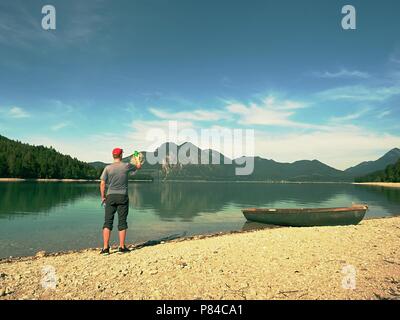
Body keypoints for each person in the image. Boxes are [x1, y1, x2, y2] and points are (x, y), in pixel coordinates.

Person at [99, 148, 142, 255]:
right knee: (122, 222)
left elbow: (102, 183)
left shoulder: (107, 168)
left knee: (107, 222)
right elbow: (138, 167)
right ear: (121, 155)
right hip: (122, 196)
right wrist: (137, 158)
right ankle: (122, 247)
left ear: (113, 156)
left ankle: (105, 249)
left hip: (110, 197)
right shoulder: (126, 166)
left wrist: (103, 197)